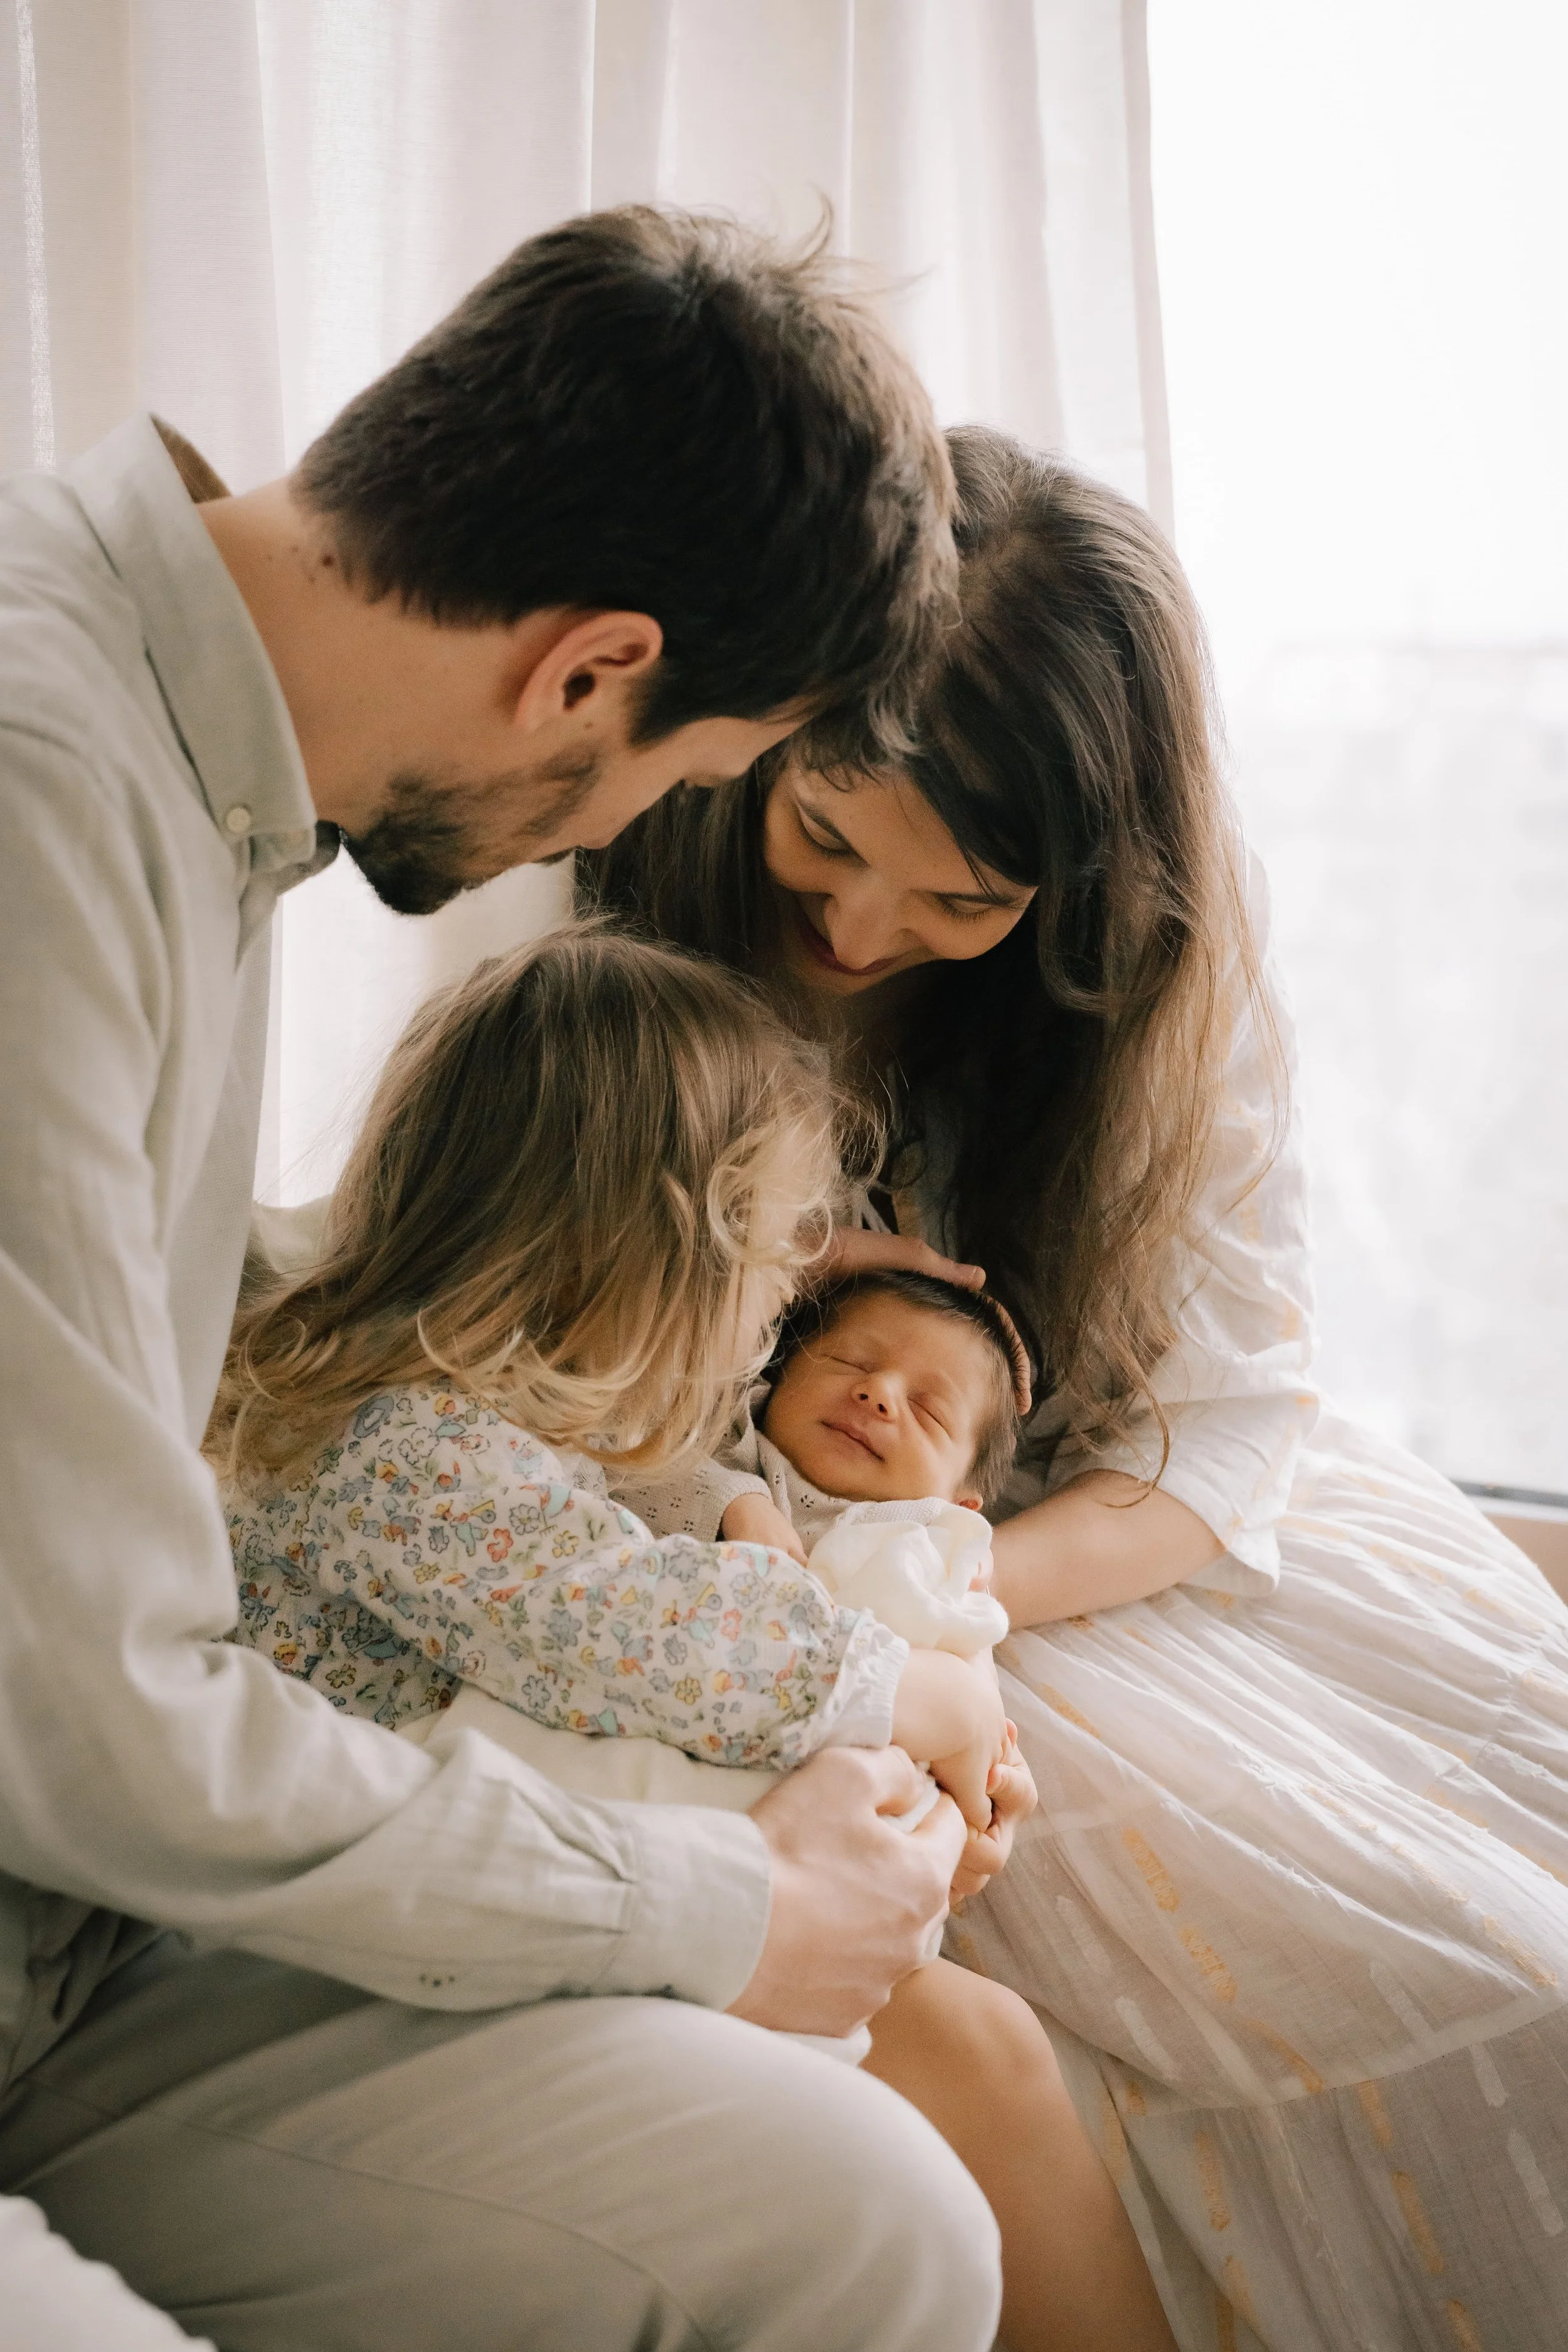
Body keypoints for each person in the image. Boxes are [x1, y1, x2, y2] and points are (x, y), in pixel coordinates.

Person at [0, 209, 1005, 2352]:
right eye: (687, 776)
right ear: (587, 667)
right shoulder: (40, 797)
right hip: (65, 1898)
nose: (595, 840)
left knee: (880, 2225)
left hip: (84, 1949)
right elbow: (92, 1723)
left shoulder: (201, 793)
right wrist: (724, 1908)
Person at [583, 421, 1568, 2349]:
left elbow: (1226, 1431)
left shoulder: (1158, 993)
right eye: (829, 839)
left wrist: (940, 1582)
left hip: (1091, 1545)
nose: (863, 930)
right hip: (757, 1552)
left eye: (958, 904)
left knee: (1504, 1949)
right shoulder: (631, 878)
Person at [216, 927, 1175, 2352]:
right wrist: (910, 1693)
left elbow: (635, 1522)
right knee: (958, 2072)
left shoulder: (474, 1415)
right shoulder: (384, 1445)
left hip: (496, 1891)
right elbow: (629, 1632)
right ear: (655, 1264)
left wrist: (910, 1744)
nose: (774, 1326)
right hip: (353, 1964)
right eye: (776, 1283)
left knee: (981, 2044)